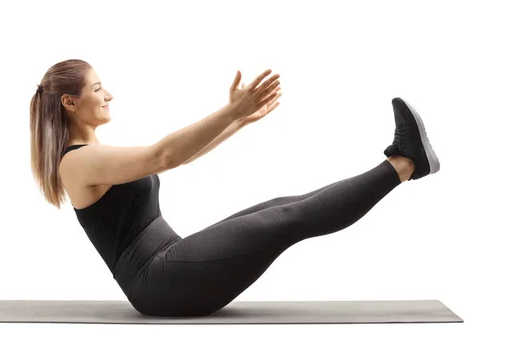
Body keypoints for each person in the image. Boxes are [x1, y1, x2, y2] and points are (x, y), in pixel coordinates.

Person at [30, 59, 440, 317]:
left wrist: (237, 122)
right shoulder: (78, 160)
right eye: (98, 88)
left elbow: (179, 157)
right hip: (159, 282)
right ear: (70, 102)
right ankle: (403, 163)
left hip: (168, 268)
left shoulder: (92, 154)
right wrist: (230, 110)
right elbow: (163, 156)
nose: (109, 95)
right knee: (286, 219)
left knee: (283, 204)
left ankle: (405, 163)